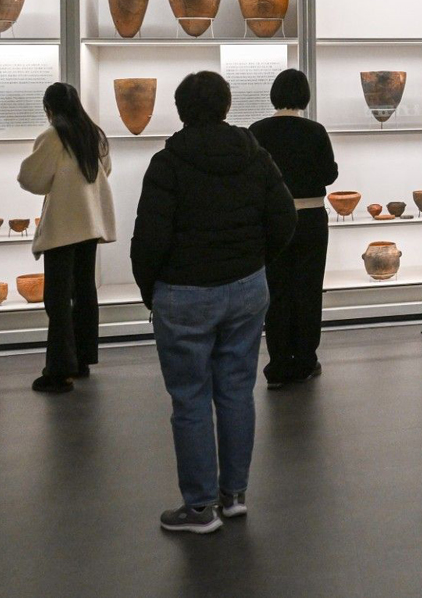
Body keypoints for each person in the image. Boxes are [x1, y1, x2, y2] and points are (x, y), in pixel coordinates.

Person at [132, 71, 296, 533]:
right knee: (236, 391)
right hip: (245, 288)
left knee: (190, 398)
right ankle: (234, 495)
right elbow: (284, 218)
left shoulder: (168, 162)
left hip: (184, 294)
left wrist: (152, 290)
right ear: (226, 106)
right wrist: (256, 261)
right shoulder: (254, 155)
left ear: (181, 109)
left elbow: (149, 239)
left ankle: (200, 508)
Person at [17, 82, 116, 394]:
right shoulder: (94, 133)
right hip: (90, 221)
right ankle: (83, 359)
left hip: (63, 224)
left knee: (58, 298)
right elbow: (105, 170)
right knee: (85, 290)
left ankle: (59, 370)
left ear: (50, 107)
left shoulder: (53, 135)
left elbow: (31, 177)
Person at [249, 69, 338, 388]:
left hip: (273, 220)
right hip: (312, 217)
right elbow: (329, 175)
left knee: (276, 291)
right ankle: (306, 359)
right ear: (304, 96)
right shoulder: (315, 131)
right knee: (309, 290)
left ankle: (278, 362)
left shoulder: (256, 130)